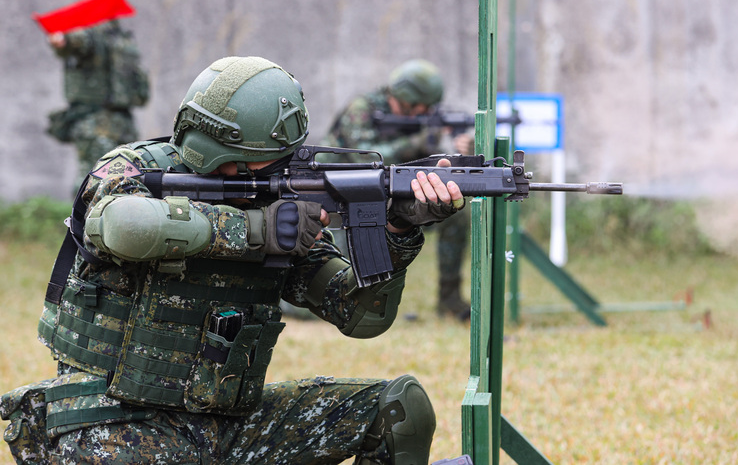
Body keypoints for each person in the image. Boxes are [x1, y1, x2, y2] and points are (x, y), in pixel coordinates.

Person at [0, 56, 467, 464]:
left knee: (396, 408)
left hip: (224, 426)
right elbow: (124, 226)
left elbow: (361, 316)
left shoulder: (285, 198)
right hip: (113, 424)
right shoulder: (133, 171)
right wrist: (258, 232)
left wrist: (398, 230)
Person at [325, 59, 473, 320]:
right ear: (404, 99)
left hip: (390, 197)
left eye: (427, 110)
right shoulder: (361, 110)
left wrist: (459, 151)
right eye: (417, 108)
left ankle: (449, 300)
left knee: (456, 216)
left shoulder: (423, 121)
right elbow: (365, 160)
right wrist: (418, 141)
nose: (420, 115)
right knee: (335, 283)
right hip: (339, 198)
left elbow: (430, 165)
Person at [45, 0, 149, 187]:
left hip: (122, 123)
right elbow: (77, 40)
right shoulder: (89, 26)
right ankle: (80, 225)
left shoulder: (116, 31)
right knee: (93, 184)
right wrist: (63, 40)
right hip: (95, 125)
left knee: (126, 184)